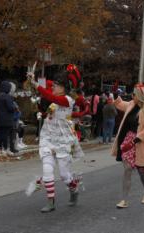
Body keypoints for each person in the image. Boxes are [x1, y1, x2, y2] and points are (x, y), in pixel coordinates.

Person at [28, 70, 84, 213]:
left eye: (56, 85)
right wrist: (42, 113)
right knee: (47, 169)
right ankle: (51, 202)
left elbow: (52, 97)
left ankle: (73, 187)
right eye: (53, 85)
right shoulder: (54, 102)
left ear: (63, 87)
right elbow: (52, 111)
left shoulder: (68, 100)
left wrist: (36, 85)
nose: (53, 87)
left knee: (65, 175)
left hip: (63, 140)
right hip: (48, 137)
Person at [111, 83, 144, 209]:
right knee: (127, 169)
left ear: (140, 96)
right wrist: (115, 94)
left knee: (142, 172)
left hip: (141, 142)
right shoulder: (131, 104)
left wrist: (134, 141)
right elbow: (120, 104)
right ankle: (124, 200)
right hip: (129, 139)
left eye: (134, 94)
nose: (132, 96)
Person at [0, 81, 16, 156]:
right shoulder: (7, 97)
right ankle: (5, 149)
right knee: (5, 134)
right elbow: (10, 108)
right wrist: (14, 107)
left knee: (1, 134)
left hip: (0, 118)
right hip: (7, 119)